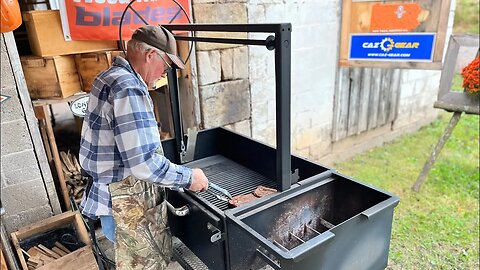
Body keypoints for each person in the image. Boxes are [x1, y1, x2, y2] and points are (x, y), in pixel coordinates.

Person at [79, 25, 209, 269]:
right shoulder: (129, 88)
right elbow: (143, 163)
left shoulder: (107, 77)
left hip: (109, 194)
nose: (163, 73)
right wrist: (189, 177)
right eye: (166, 66)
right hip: (124, 203)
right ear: (151, 55)